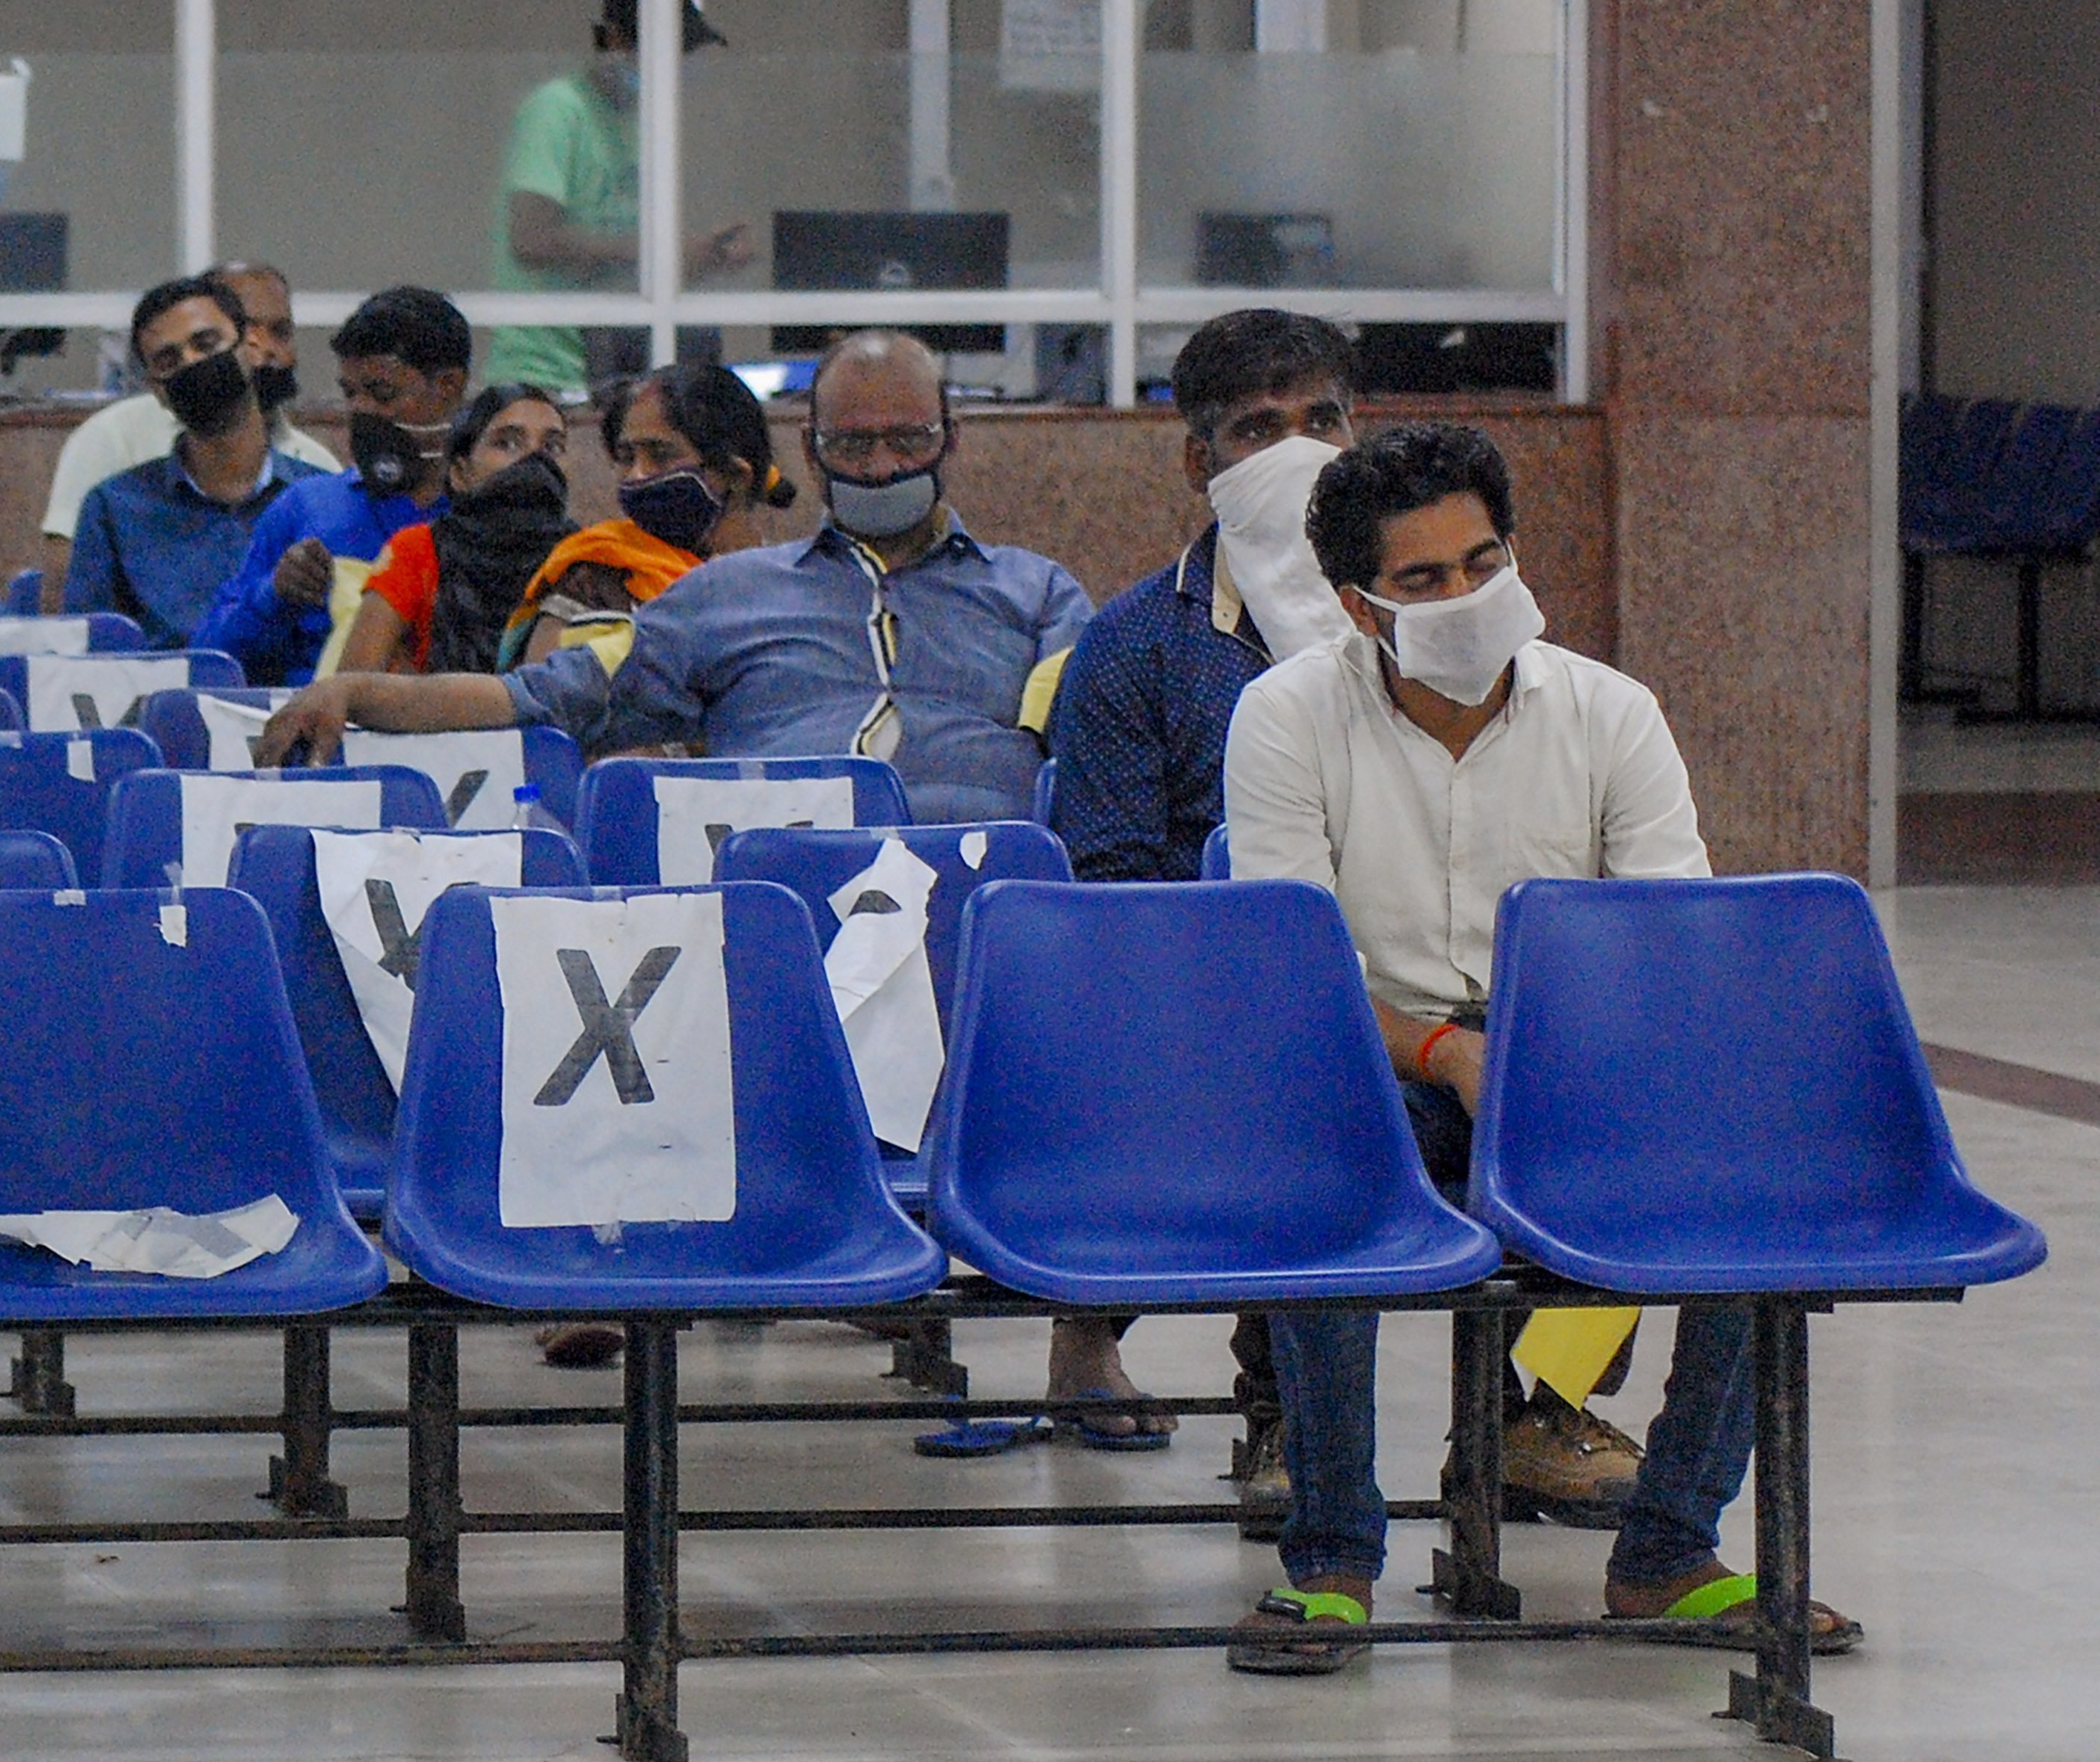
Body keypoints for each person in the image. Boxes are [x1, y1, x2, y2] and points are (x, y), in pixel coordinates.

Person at [1219, 422, 1858, 1672]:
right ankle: (1333, 1559)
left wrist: (1549, 1063)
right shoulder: (1287, 718)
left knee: (1756, 1188)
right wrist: (1442, 1051)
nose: (1464, 596)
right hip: (1381, 1068)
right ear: (1357, 606)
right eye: (1422, 579)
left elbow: (1668, 946)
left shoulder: (1613, 714)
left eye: (1483, 561)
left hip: (1578, 1064)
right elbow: (1294, 972)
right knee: (1321, 1167)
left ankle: (1668, 1550)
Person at [261, 330, 1089, 818]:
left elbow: (1091, 745)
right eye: (852, 444)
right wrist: (355, 693)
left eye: (907, 441)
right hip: (777, 897)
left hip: (986, 888)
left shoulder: (1038, 593)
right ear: (811, 452)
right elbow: (537, 698)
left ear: (951, 440)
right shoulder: (724, 596)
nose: (880, 467)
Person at [1041, 311, 1359, 1472]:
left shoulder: (1433, 619)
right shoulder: (1133, 647)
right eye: (1260, 430)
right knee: (1301, 1087)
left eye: (1322, 422)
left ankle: (1532, 1409)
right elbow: (1113, 889)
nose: (1300, 454)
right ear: (1200, 461)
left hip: (1421, 984)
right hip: (1208, 999)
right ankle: (1292, 1429)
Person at [195, 286, 476, 684]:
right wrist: (273, 594)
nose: (360, 410)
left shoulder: (491, 513)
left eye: (382, 393)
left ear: (448, 385)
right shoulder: (307, 507)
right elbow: (207, 661)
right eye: (350, 393)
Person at [487, 0, 753, 397]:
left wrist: (702, 256)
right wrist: (657, 256)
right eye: (664, 50)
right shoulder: (557, 109)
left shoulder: (637, 125)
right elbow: (532, 239)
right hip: (543, 372)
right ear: (614, 40)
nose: (673, 65)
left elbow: (613, 255)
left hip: (607, 367)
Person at [38, 257, 337, 601]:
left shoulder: (322, 495)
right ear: (157, 389)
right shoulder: (113, 507)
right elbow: (79, 625)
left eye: (207, 344)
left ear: (250, 348)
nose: (192, 363)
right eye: (169, 361)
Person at [501, 361, 790, 670]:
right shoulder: (597, 575)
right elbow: (547, 692)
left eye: (661, 455)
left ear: (735, 475)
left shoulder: (790, 585)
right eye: (627, 458)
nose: (636, 475)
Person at [335, 385, 571, 674]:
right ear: (460, 473)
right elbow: (352, 684)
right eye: (508, 443)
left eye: (552, 447)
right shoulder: (419, 551)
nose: (535, 461)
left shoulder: (585, 560)